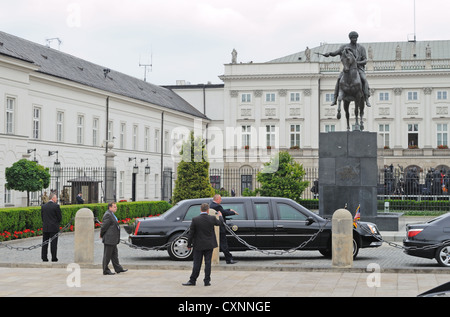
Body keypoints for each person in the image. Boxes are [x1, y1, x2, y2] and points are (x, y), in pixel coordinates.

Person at [323, 31, 372, 108]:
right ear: (350, 38)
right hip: (347, 69)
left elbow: (365, 60)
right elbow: (335, 53)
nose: (354, 39)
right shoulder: (344, 47)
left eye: (355, 38)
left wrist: (357, 63)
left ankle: (366, 98)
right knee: (339, 79)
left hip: (358, 69)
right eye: (353, 38)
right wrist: (329, 53)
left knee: (364, 79)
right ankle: (335, 99)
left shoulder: (361, 48)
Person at [183, 203, 222, 286]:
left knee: (197, 263)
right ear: (208, 210)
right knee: (208, 263)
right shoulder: (212, 218)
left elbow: (191, 234)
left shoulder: (195, 219)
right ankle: (207, 281)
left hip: (198, 245)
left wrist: (189, 245)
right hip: (209, 244)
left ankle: (192, 280)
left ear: (201, 210)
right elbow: (220, 223)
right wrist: (220, 215)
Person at [210, 194, 239, 264]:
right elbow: (223, 213)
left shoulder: (212, 205)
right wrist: (233, 212)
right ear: (217, 199)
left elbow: (221, 211)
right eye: (220, 199)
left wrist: (229, 209)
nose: (221, 200)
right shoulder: (217, 206)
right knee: (224, 244)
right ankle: (228, 259)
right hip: (220, 228)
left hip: (214, 228)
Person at [100, 202, 127, 275]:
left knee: (114, 254)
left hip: (113, 239)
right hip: (109, 239)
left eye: (116, 207)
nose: (116, 208)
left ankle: (118, 268)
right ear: (110, 207)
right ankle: (105, 270)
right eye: (114, 207)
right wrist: (101, 234)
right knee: (107, 256)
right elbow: (104, 226)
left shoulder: (111, 214)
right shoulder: (108, 215)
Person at [41, 193, 62, 262]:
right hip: (53, 228)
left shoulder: (43, 206)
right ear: (53, 198)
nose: (56, 199)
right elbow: (59, 218)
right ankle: (54, 257)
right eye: (56, 198)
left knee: (44, 243)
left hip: (45, 227)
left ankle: (44, 257)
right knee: (53, 243)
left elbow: (42, 217)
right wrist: (56, 223)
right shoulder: (56, 206)